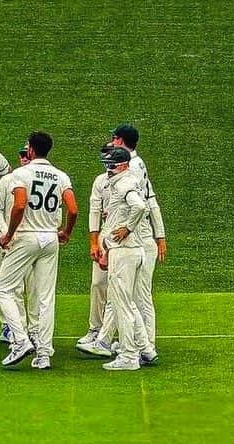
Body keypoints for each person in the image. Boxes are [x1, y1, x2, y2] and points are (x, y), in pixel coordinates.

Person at [0, 131, 77, 369]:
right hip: (50, 238)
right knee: (45, 296)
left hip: (26, 236)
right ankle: (43, 354)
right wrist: (66, 232)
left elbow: (20, 204)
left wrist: (9, 234)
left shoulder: (21, 174)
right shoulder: (61, 176)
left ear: (30, 150)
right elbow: (72, 209)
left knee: (4, 289)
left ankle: (20, 340)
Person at [95, 148, 156, 371]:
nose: (108, 170)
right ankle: (146, 349)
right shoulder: (131, 181)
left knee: (122, 305)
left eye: (111, 165)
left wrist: (127, 228)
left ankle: (129, 356)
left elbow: (140, 207)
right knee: (129, 303)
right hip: (136, 251)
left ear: (123, 165)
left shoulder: (123, 184)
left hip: (125, 251)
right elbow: (144, 205)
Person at [111, 124, 167, 347]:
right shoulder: (138, 162)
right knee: (132, 293)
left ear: (121, 141)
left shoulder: (130, 167)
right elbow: (151, 198)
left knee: (140, 295)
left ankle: (147, 346)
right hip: (144, 236)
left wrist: (128, 228)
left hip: (140, 237)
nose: (112, 143)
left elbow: (143, 204)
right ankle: (136, 341)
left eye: (114, 139)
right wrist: (160, 235)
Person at [0, 142, 38, 345]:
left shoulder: (39, 179)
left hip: (30, 240)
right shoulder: (7, 181)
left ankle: (35, 329)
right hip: (10, 242)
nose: (25, 157)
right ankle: (14, 328)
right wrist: (4, 234)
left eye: (28, 154)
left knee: (34, 288)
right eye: (22, 154)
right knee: (13, 288)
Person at [77, 142, 117, 349]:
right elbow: (94, 210)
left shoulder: (131, 178)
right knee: (98, 283)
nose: (108, 164)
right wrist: (94, 242)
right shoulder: (100, 181)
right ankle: (95, 329)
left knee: (119, 288)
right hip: (105, 234)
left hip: (124, 238)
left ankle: (113, 334)